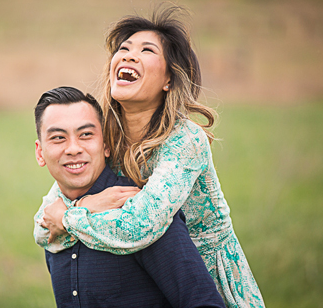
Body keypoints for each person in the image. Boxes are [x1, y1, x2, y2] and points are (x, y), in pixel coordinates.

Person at [34, 7, 265, 307]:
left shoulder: (185, 140)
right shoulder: (107, 135)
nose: (129, 55)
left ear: (169, 79)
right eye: (124, 48)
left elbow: (141, 225)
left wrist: (72, 216)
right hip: (147, 278)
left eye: (146, 50)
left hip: (202, 281)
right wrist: (77, 208)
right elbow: (45, 222)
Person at [32, 86, 224, 307]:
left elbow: (204, 302)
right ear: (40, 153)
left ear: (106, 145)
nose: (73, 148)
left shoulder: (140, 210)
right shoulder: (52, 222)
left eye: (86, 134)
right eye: (58, 138)